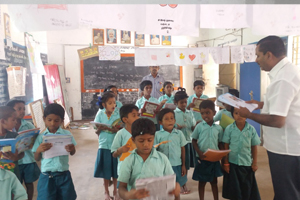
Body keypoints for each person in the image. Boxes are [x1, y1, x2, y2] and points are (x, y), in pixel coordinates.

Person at [238, 35, 300, 200]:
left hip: (286, 149)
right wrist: (260, 104)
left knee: (286, 194)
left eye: (258, 55)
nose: (257, 60)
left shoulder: (283, 79)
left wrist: (249, 114)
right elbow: (284, 104)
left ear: (269, 55)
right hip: (289, 147)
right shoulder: (287, 72)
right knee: (287, 191)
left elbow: (278, 120)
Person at [118, 118, 180, 200]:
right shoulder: (129, 160)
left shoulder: (162, 159)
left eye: (149, 140)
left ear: (154, 138)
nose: (146, 144)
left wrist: (176, 192)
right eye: (141, 141)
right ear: (133, 140)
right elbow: (121, 187)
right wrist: (127, 195)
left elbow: (172, 184)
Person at [32, 103, 77, 200]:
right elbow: (36, 158)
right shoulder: (41, 137)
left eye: (56, 121)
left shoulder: (67, 134)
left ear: (62, 121)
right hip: (47, 176)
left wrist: (72, 149)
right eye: (49, 120)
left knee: (67, 197)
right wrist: (38, 150)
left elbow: (73, 153)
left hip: (64, 174)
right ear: (44, 119)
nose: (52, 123)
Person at [222, 106, 261, 200]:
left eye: (242, 113)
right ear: (232, 115)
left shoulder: (251, 129)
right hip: (232, 163)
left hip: (246, 162)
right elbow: (226, 146)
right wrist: (226, 162)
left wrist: (255, 162)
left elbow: (254, 147)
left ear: (247, 115)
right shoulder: (229, 129)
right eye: (236, 113)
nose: (239, 116)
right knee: (234, 189)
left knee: (246, 188)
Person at [7, 100, 40, 200]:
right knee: (17, 184)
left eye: (24, 109)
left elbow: (35, 140)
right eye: (19, 109)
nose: (22, 111)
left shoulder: (28, 125)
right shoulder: (8, 128)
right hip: (14, 161)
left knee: (29, 183)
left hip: (28, 160)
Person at [191, 100, 223, 200]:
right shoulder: (199, 127)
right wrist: (199, 152)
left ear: (214, 113)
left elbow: (220, 143)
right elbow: (194, 141)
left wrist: (222, 155)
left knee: (214, 182)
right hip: (202, 158)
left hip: (214, 159)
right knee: (202, 182)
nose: (205, 115)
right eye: (202, 113)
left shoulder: (218, 128)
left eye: (208, 112)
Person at [93, 91, 121, 200]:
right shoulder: (100, 113)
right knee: (106, 170)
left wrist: (115, 130)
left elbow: (121, 128)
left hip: (115, 145)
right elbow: (96, 130)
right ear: (104, 104)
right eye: (110, 103)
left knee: (115, 170)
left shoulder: (117, 114)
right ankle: (106, 192)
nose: (113, 105)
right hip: (104, 145)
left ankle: (115, 190)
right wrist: (100, 128)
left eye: (114, 102)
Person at [155, 108, 187, 200]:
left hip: (177, 165)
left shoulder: (179, 133)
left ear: (175, 121)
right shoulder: (157, 135)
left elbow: (183, 149)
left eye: (172, 118)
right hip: (163, 167)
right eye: (166, 119)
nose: (170, 121)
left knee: (176, 189)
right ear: (160, 122)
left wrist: (183, 165)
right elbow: (155, 150)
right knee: (164, 189)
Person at [173, 87, 197, 194]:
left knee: (185, 164)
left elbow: (193, 126)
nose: (184, 104)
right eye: (181, 102)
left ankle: (184, 184)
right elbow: (170, 127)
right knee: (178, 163)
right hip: (177, 143)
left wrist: (195, 126)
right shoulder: (173, 114)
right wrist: (176, 128)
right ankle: (177, 184)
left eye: (185, 102)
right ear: (176, 102)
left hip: (188, 141)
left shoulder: (190, 113)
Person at [111, 104, 139, 176]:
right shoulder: (120, 134)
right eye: (134, 115)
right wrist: (119, 150)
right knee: (123, 187)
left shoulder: (141, 132)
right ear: (125, 119)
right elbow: (114, 154)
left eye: (138, 115)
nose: (137, 118)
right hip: (124, 170)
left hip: (138, 170)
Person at [0, 106, 25, 181]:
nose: (16, 122)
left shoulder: (15, 136)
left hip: (13, 172)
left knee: (15, 191)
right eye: (13, 120)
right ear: (3, 121)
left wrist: (16, 158)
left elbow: (22, 153)